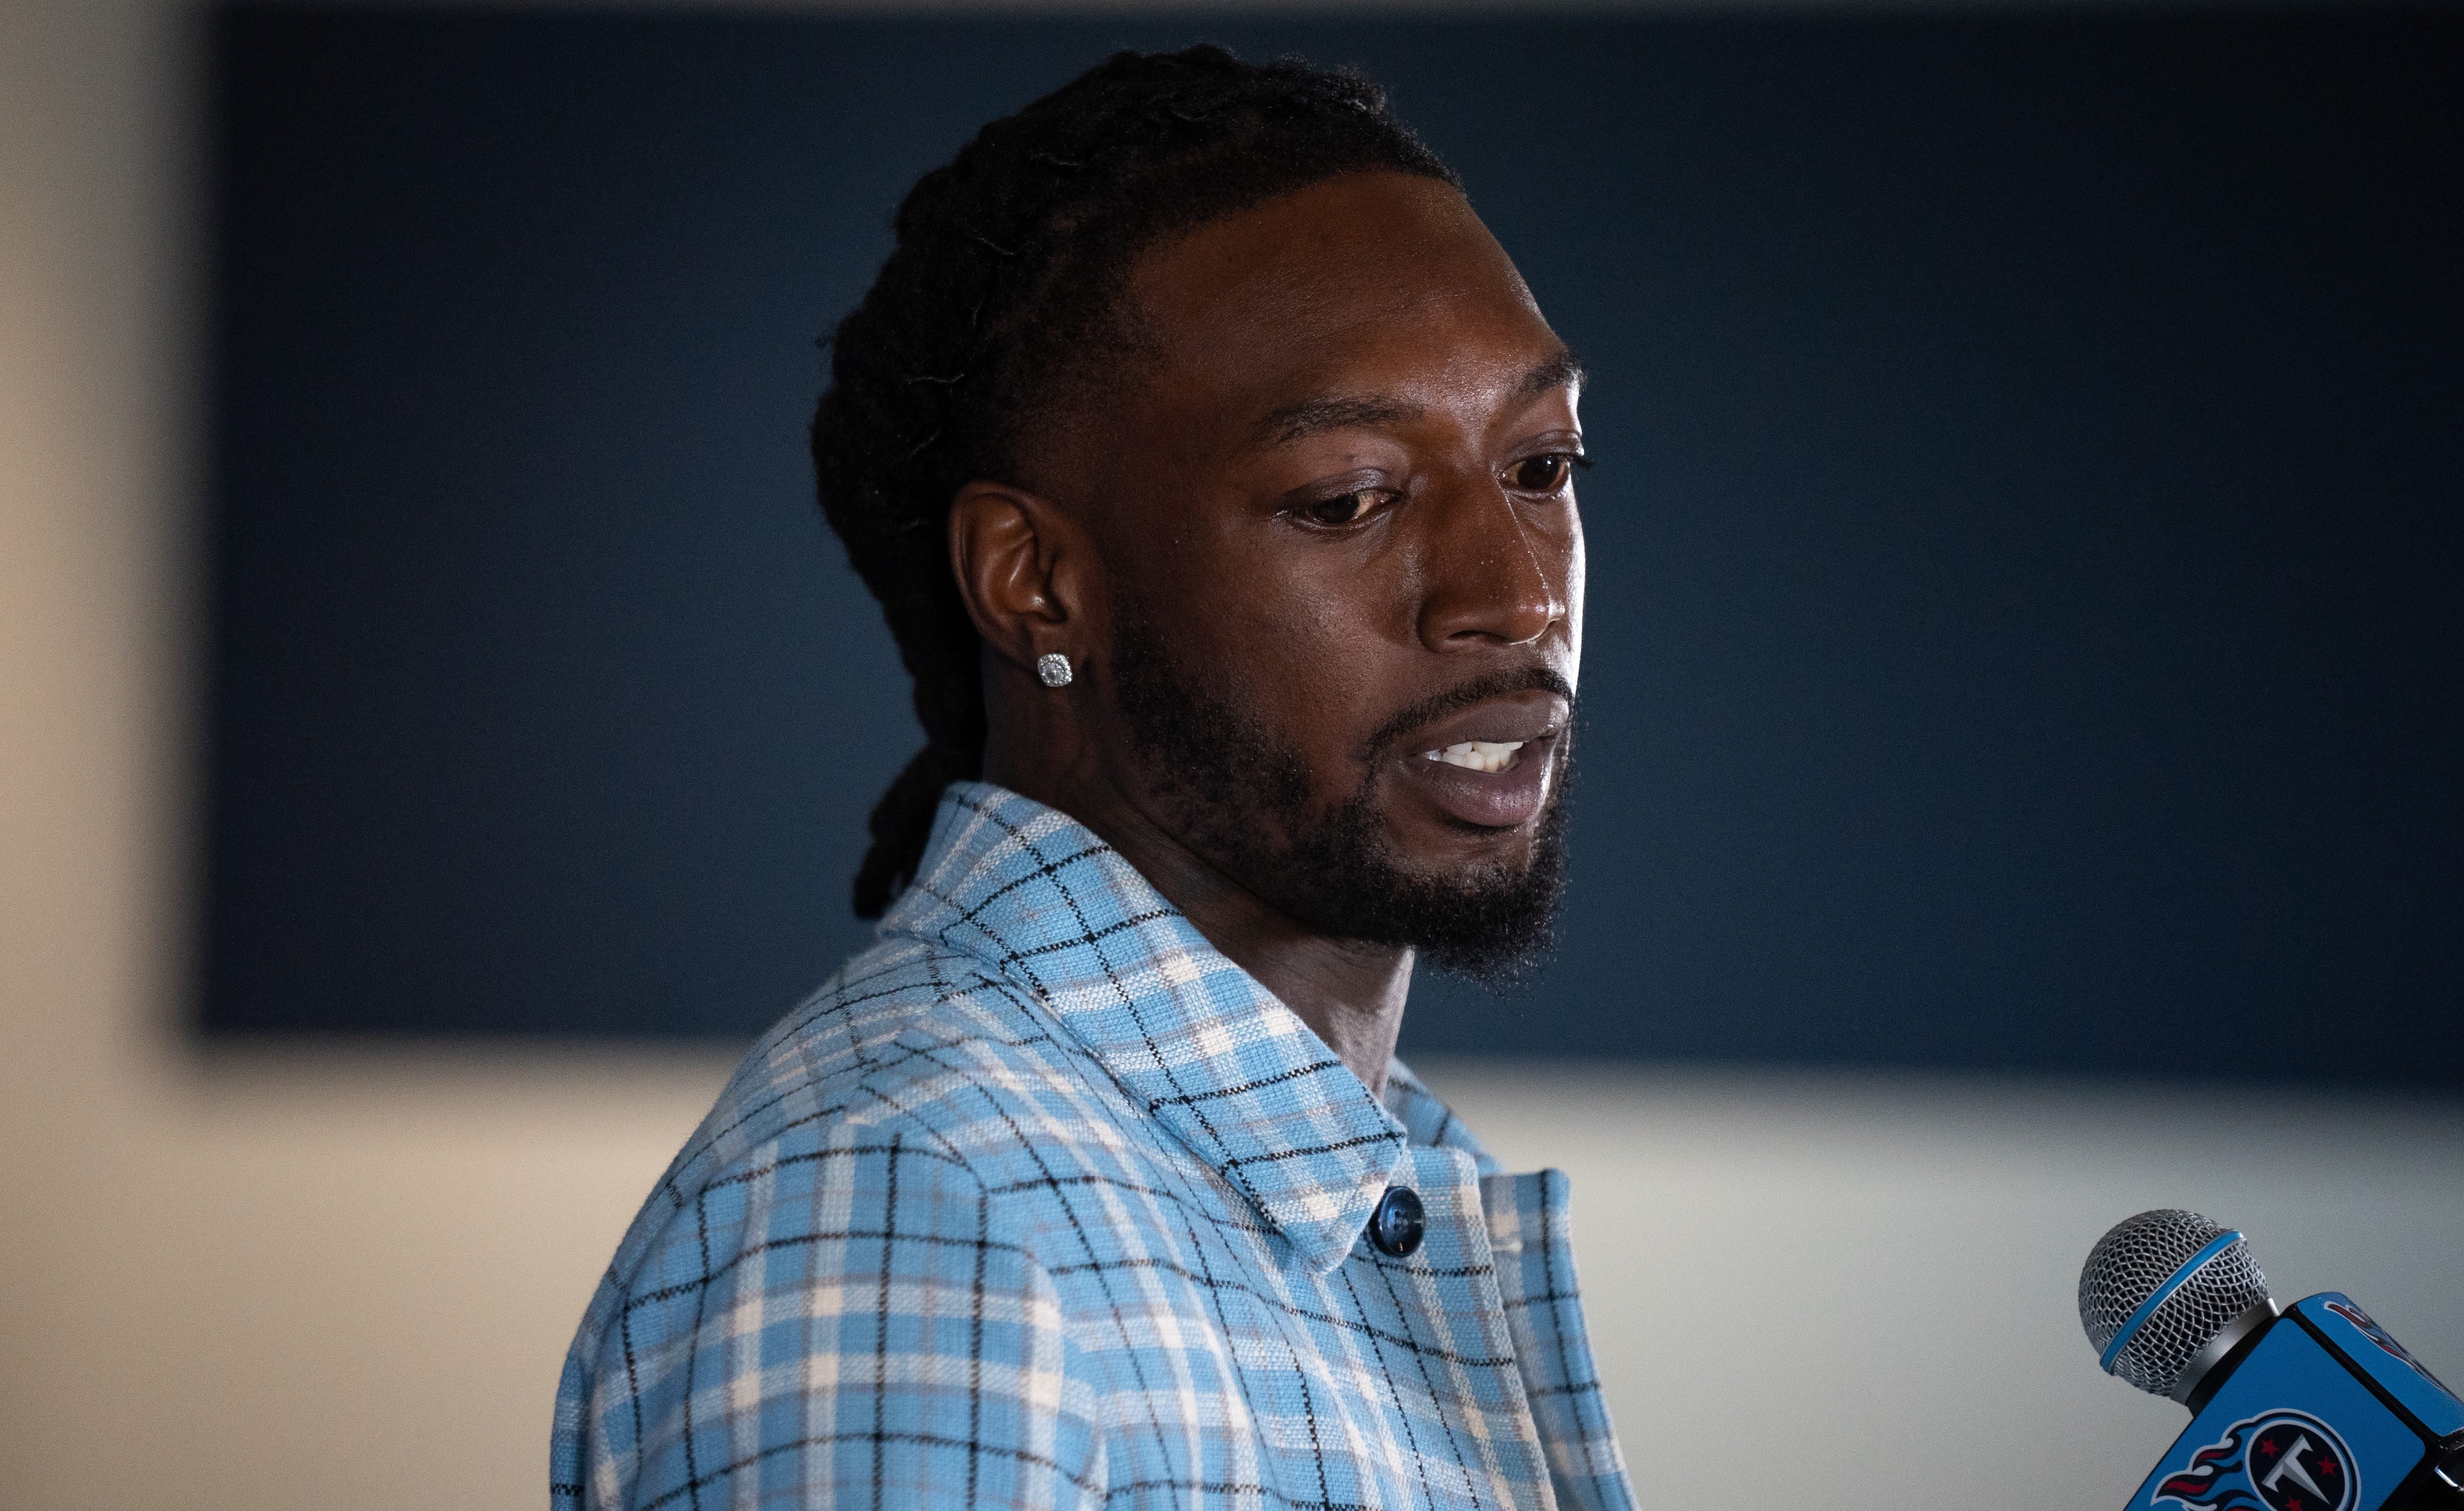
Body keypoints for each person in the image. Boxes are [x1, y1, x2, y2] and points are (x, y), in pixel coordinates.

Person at [553, 45, 1629, 1511]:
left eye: (1543, 467)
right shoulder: (915, 1209)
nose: (1512, 595)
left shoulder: (1372, 1173)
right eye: (1350, 497)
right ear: (1037, 583)